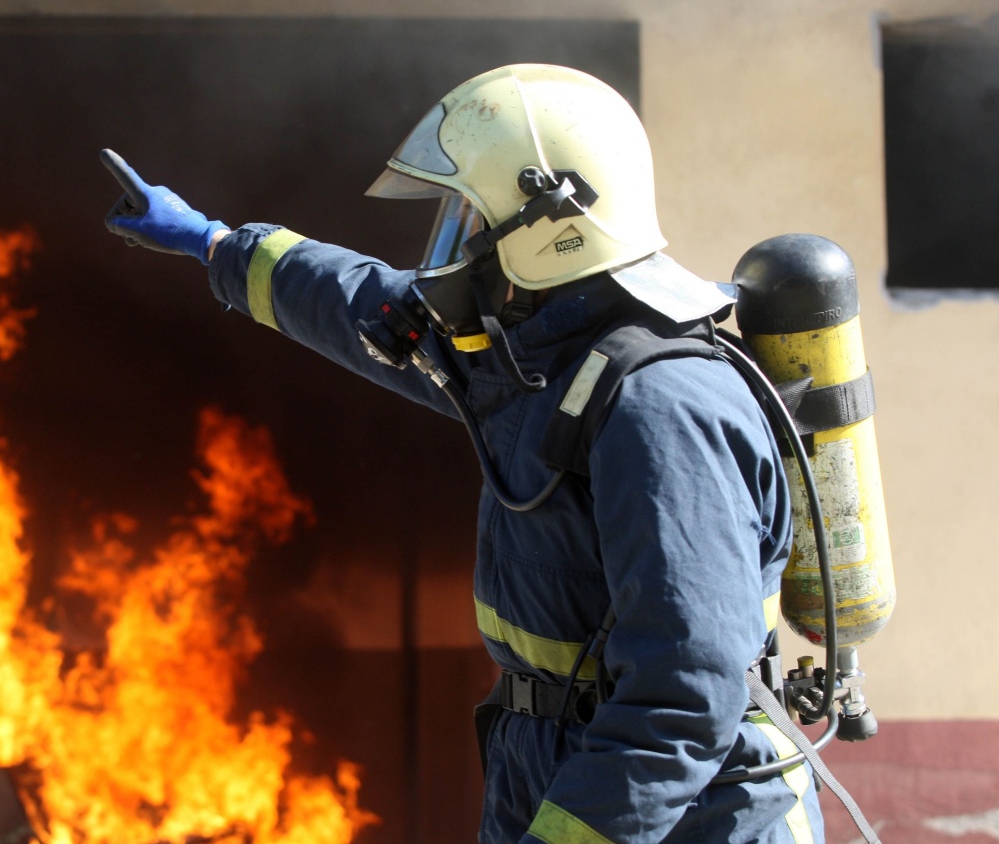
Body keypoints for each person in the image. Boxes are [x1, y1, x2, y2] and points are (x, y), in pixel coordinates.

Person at [101, 64, 824, 844]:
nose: (454, 246)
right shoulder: (536, 354)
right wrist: (214, 245)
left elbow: (681, 699)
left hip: (692, 812)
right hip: (557, 758)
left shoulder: (660, 407)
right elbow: (369, 311)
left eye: (470, 221)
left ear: (551, 226)